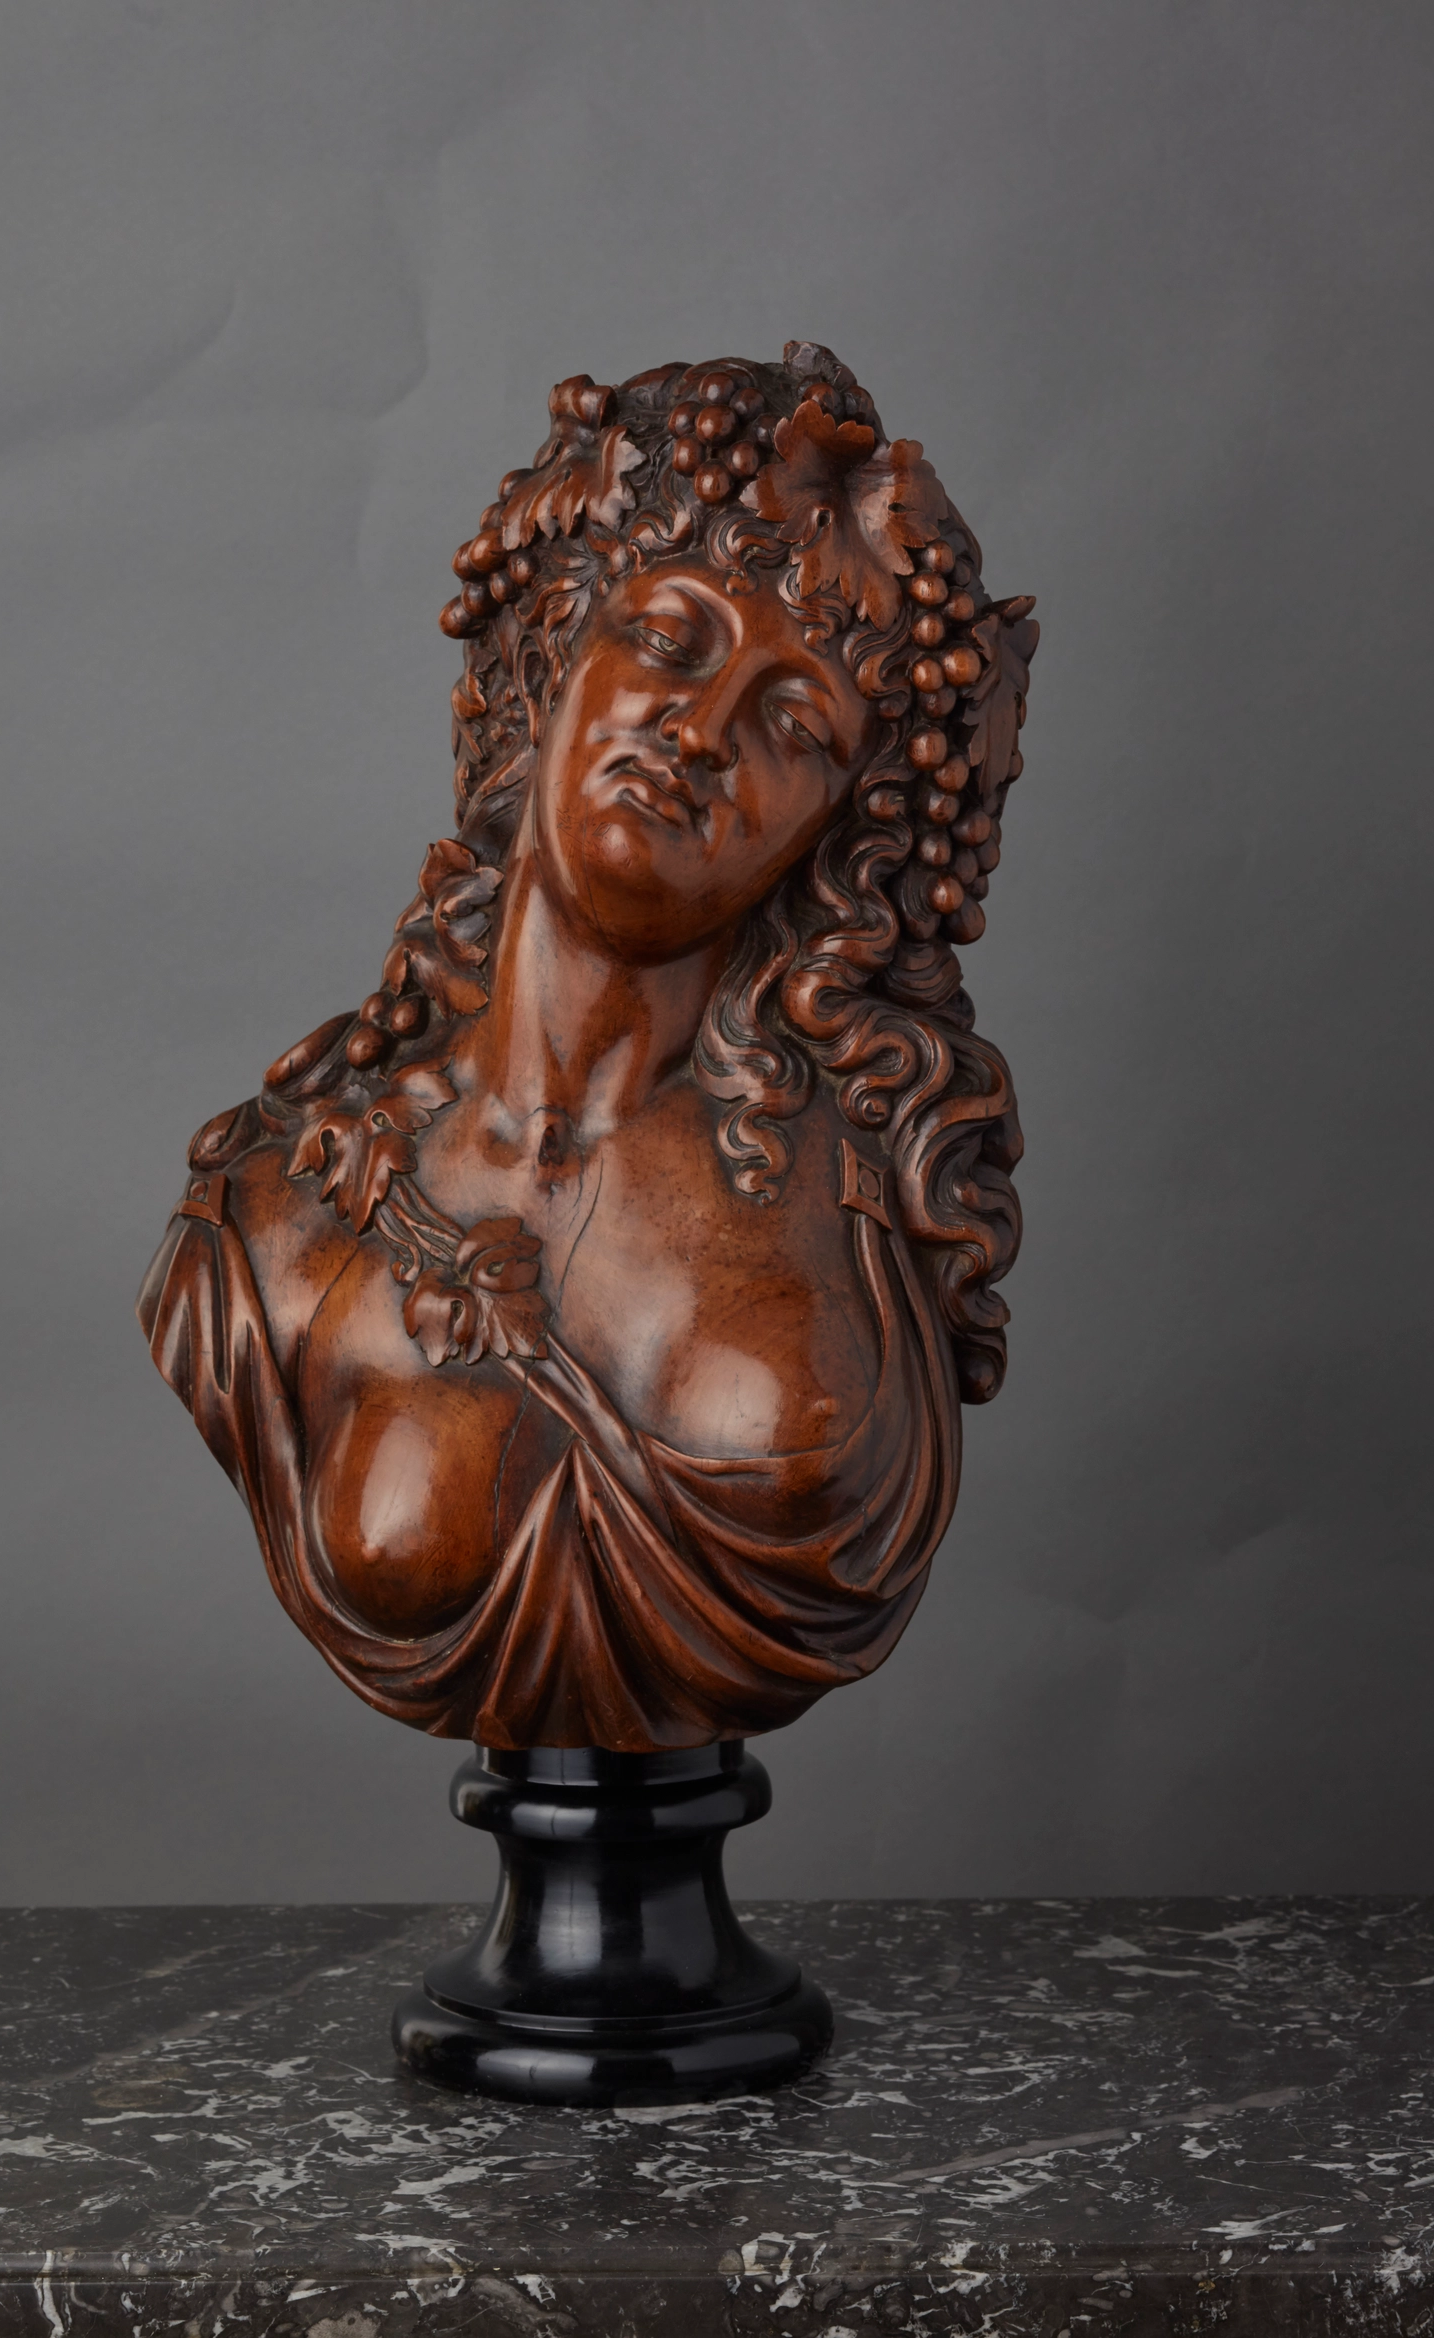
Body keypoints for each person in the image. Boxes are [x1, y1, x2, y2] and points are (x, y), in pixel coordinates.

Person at [138, 342, 1037, 1752]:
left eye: (793, 720)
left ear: (834, 845)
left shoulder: (854, 1218)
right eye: (671, 641)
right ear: (552, 655)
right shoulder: (278, 1208)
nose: (701, 731)